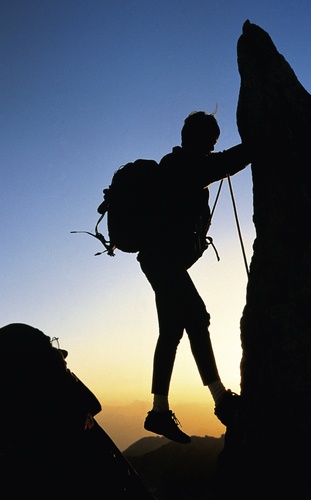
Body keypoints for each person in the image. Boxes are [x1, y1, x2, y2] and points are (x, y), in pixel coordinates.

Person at [137, 111, 251, 444]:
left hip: (159, 261)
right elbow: (227, 163)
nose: (211, 147)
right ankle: (221, 400)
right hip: (164, 262)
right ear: (198, 138)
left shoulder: (176, 164)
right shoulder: (184, 166)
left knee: (172, 331)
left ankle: (158, 412)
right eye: (210, 142)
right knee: (197, 318)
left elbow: (219, 164)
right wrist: (261, 139)